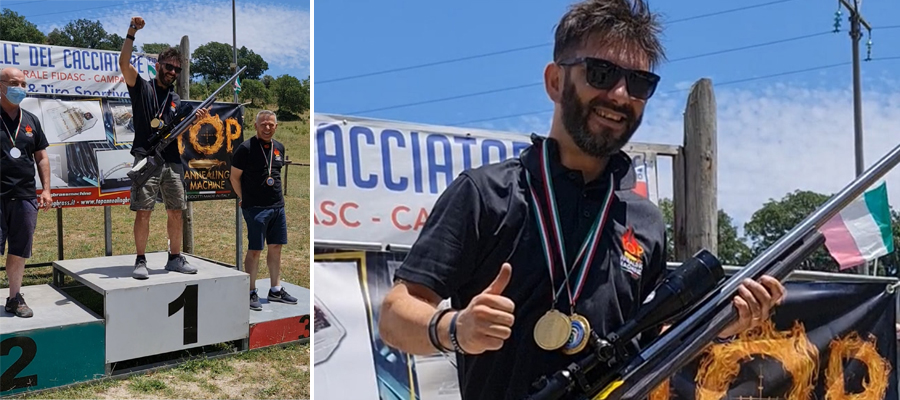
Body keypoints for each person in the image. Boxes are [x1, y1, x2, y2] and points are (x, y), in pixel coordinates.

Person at [377, 1, 786, 399]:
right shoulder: (486, 193)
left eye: (640, 82)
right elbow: (396, 314)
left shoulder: (644, 220)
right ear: (555, 81)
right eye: (602, 73)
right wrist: (456, 329)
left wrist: (721, 323)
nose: (621, 94)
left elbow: (652, 339)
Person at [119, 16, 209, 279]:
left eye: (177, 70)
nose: (172, 72)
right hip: (146, 158)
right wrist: (132, 31)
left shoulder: (175, 99)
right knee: (144, 212)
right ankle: (140, 260)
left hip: (171, 160)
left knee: (176, 210)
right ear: (158, 65)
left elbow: (182, 127)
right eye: (169, 67)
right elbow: (124, 63)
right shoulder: (141, 87)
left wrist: (199, 119)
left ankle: (174, 258)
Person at [230, 110, 297, 310]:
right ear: (256, 125)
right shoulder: (245, 148)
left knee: (276, 247)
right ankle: (250, 291)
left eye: (271, 124)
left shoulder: (279, 148)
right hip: (255, 208)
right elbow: (234, 177)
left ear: (276, 126)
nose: (267, 128)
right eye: (263, 124)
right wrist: (244, 198)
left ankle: (275, 290)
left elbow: (274, 174)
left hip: (277, 207)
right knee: (255, 250)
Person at [1, 67, 53, 318]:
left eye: (23, 84)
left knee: (19, 250)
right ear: (1, 85)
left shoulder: (31, 120)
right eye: (14, 83)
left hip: (24, 197)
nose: (19, 88)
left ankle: (14, 298)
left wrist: (46, 190)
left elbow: (42, 157)